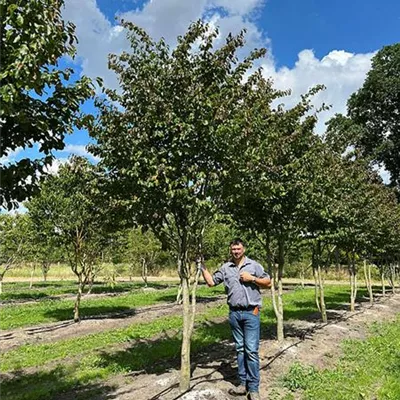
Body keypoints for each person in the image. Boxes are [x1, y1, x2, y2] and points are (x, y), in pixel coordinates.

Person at [201, 238, 271, 400]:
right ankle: (242, 383)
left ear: (244, 249)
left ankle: (253, 389)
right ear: (230, 250)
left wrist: (252, 279)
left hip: (251, 312)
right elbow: (211, 282)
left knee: (251, 351)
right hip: (234, 313)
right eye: (233, 249)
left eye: (238, 249)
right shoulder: (226, 268)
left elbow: (268, 282)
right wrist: (202, 267)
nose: (236, 252)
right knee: (240, 349)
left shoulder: (254, 265)